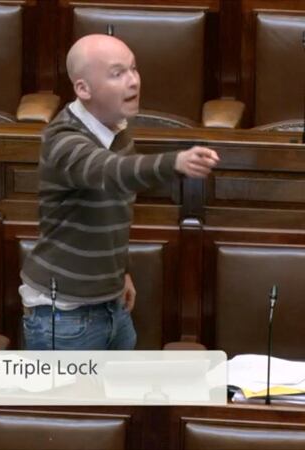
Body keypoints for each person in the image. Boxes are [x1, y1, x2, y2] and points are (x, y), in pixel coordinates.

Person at [20, 34, 219, 350]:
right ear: (83, 89)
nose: (133, 82)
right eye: (117, 73)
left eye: (134, 69)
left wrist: (120, 273)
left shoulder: (118, 127)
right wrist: (176, 161)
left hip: (112, 303)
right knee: (69, 402)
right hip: (64, 317)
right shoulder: (62, 139)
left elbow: (113, 211)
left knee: (122, 401)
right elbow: (110, 172)